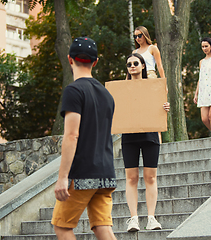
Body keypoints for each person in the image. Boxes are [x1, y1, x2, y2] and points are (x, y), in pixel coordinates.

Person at [51, 37, 117, 240]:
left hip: (82, 174)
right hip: (105, 173)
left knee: (62, 227)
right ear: (95, 62)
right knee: (102, 227)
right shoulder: (107, 95)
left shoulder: (74, 90)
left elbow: (72, 135)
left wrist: (63, 178)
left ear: (70, 59)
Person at [123, 53, 170, 232]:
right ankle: (133, 218)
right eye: (129, 64)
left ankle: (151, 218)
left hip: (150, 135)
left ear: (143, 65)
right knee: (131, 177)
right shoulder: (122, 89)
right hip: (129, 136)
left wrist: (164, 107)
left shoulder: (154, 86)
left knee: (150, 177)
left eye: (136, 63)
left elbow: (160, 108)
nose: (132, 66)